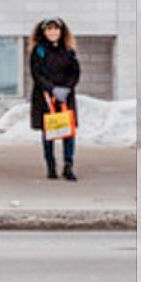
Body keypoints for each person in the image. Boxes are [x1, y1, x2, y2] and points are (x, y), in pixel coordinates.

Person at [28, 18, 83, 181]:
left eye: (56, 29)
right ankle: (51, 165)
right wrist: (52, 89)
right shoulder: (38, 51)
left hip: (66, 96)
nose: (53, 33)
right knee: (49, 132)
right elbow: (37, 74)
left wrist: (67, 88)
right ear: (44, 32)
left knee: (69, 133)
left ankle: (68, 165)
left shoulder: (68, 50)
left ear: (61, 31)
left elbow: (75, 72)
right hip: (45, 97)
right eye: (49, 29)